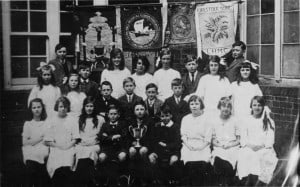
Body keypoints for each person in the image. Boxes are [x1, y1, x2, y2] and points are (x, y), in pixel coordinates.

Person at [237, 96, 278, 186]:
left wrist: (261, 146)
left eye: (259, 105)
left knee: (261, 156)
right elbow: (243, 137)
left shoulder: (268, 121)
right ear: (251, 107)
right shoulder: (246, 120)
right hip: (249, 146)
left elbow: (270, 139)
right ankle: (248, 181)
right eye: (254, 105)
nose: (257, 107)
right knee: (246, 155)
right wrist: (250, 146)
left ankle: (258, 183)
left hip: (263, 147)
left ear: (263, 107)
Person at [44, 97, 80, 186]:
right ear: (57, 107)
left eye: (65, 106)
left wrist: (68, 146)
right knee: (56, 165)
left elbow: (76, 138)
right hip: (56, 147)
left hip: (69, 147)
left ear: (68, 107)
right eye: (60, 106)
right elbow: (47, 140)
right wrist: (58, 146)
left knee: (68, 165)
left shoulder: (72, 119)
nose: (63, 109)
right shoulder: (51, 120)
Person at [180, 95, 213, 186]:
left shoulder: (207, 119)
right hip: (188, 145)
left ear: (201, 105)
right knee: (189, 164)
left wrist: (200, 147)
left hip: (202, 145)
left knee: (202, 164)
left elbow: (208, 138)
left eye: (197, 104)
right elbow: (183, 135)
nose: (194, 106)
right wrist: (188, 145)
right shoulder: (185, 119)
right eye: (192, 104)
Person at [148, 105, 182, 185]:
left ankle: (171, 179)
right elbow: (154, 140)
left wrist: (166, 145)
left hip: (173, 151)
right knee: (151, 157)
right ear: (160, 117)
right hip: (159, 151)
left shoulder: (176, 127)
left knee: (173, 160)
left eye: (167, 116)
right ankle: (157, 179)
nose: (165, 118)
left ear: (171, 115)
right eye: (162, 116)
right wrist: (155, 149)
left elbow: (178, 143)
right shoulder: (157, 126)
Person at [74, 97, 105, 186]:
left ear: (94, 107)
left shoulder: (100, 119)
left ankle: (91, 181)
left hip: (94, 145)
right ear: (84, 107)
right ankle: (82, 182)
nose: (89, 108)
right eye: (87, 106)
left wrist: (92, 141)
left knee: (90, 153)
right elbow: (77, 134)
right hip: (81, 145)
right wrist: (82, 142)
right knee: (80, 153)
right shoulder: (78, 119)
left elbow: (101, 135)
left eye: (91, 106)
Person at [211, 97, 240, 186]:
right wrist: (219, 145)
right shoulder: (214, 120)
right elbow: (212, 139)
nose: (226, 109)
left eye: (228, 107)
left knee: (230, 159)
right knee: (219, 157)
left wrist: (230, 145)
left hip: (232, 146)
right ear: (219, 107)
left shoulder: (235, 120)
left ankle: (226, 182)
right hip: (219, 146)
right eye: (223, 106)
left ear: (231, 108)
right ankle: (222, 182)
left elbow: (239, 140)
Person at [22, 98, 50, 187]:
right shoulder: (28, 124)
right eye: (34, 108)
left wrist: (34, 141)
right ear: (31, 109)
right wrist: (40, 138)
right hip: (31, 149)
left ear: (42, 108)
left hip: (43, 148)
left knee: (40, 155)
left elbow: (47, 139)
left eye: (39, 107)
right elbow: (25, 142)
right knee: (30, 157)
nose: (37, 109)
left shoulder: (46, 123)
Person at [97, 105, 128, 186]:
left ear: (118, 115)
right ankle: (104, 177)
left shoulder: (123, 124)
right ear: (108, 115)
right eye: (111, 114)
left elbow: (124, 136)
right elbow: (101, 137)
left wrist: (107, 136)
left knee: (122, 156)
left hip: (120, 148)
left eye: (115, 114)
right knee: (101, 157)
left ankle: (121, 176)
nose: (113, 116)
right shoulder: (105, 125)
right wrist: (112, 137)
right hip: (107, 148)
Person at [126, 101, 154, 186]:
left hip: (146, 145)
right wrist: (132, 143)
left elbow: (152, 137)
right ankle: (133, 176)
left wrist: (145, 145)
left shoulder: (150, 121)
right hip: (133, 145)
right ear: (134, 111)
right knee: (132, 151)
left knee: (143, 151)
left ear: (145, 110)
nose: (139, 111)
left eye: (142, 109)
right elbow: (126, 137)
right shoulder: (129, 121)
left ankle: (143, 177)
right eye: (137, 109)